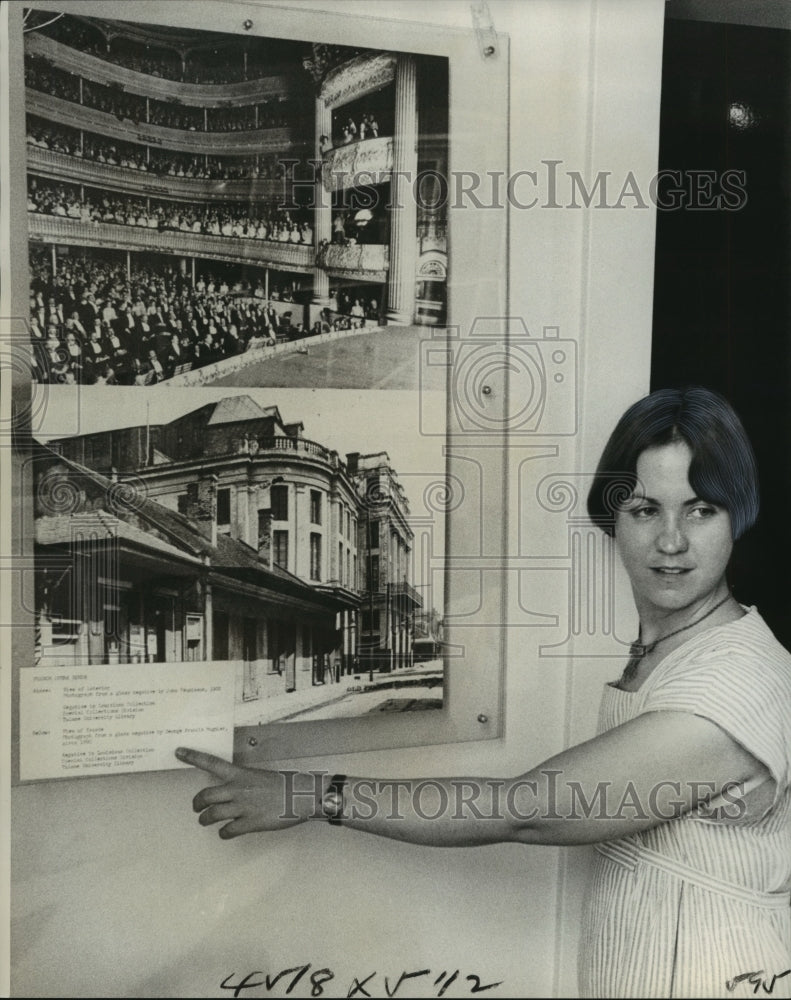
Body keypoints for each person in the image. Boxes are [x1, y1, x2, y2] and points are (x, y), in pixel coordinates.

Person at [176, 387, 791, 999]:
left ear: (739, 515)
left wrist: (313, 793)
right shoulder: (669, 648)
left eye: (701, 509)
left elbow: (528, 808)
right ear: (612, 518)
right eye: (645, 509)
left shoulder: (740, 678)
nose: (672, 541)